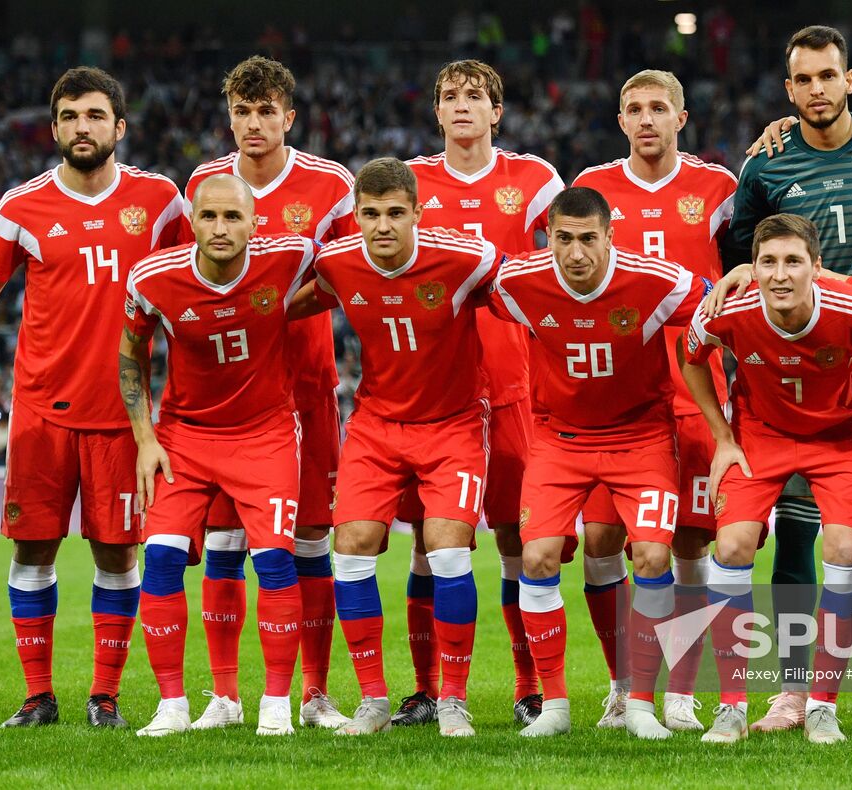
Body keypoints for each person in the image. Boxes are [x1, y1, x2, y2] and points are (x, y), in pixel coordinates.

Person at [0, 67, 186, 729]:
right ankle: (38, 697)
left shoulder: (162, 201)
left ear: (119, 125)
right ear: (54, 128)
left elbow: (189, 286)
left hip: (123, 414)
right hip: (41, 410)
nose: (80, 127)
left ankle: (105, 698)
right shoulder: (21, 205)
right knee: (33, 548)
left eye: (93, 115)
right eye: (68, 116)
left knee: (118, 553)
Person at [726, 25, 852, 733]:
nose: (816, 88)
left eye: (828, 75)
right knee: (796, 530)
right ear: (789, 90)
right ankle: (791, 691)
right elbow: (734, 254)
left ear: (850, 79)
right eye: (803, 79)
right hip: (797, 366)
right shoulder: (765, 165)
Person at [488, 186, 710, 740]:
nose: (576, 252)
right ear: (548, 238)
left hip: (641, 438)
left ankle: (640, 703)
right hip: (560, 440)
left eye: (589, 239)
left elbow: (713, 300)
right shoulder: (520, 282)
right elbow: (465, 286)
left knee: (655, 556)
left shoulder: (655, 280)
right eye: (563, 239)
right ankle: (555, 707)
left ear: (611, 237)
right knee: (536, 558)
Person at [182, 54, 356, 732]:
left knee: (310, 539)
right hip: (226, 402)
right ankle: (224, 695)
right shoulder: (203, 183)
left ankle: (313, 693)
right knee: (224, 540)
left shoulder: (330, 185)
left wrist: (275, 307)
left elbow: (348, 275)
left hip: (306, 389)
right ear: (230, 118)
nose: (253, 124)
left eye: (266, 112)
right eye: (242, 112)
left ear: (289, 117)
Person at [302, 157, 502, 737]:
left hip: (454, 425)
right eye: (370, 213)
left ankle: (454, 700)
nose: (382, 225)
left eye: (395, 212)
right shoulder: (337, 263)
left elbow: (526, 288)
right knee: (353, 546)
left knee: (446, 552)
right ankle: (372, 700)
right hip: (376, 425)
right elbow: (287, 300)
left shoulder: (467, 258)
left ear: (418, 211)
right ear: (356, 216)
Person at [396, 59, 565, 728]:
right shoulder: (410, 182)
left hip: (512, 389)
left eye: (475, 97)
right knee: (427, 543)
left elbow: (578, 258)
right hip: (432, 396)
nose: (462, 106)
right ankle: (425, 688)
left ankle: (528, 688)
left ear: (498, 111)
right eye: (449, 97)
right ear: (435, 112)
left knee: (516, 542)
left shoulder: (535, 181)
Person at [683, 213, 852, 744]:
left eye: (794, 261)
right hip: (760, 434)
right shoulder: (729, 310)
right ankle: (732, 707)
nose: (780, 274)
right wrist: (722, 437)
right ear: (751, 269)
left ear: (817, 269)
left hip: (842, 436)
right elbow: (691, 359)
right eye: (768, 262)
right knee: (730, 547)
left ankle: (822, 705)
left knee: (844, 549)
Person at [572, 68, 737, 731]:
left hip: (697, 392)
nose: (646, 118)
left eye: (658, 108)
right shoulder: (591, 188)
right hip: (613, 399)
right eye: (634, 108)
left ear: (681, 117)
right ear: (620, 121)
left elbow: (746, 271)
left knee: (693, 542)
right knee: (604, 538)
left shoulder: (718, 188)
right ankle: (620, 685)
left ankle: (680, 692)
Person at [121, 174, 315, 737]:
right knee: (158, 561)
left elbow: (350, 278)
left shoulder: (291, 256)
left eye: (234, 217)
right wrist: (145, 437)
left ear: (256, 222)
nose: (221, 228)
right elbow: (130, 355)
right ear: (193, 221)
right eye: (209, 217)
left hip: (266, 435)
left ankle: (276, 704)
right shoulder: (154, 279)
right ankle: (173, 704)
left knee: (275, 561)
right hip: (184, 438)